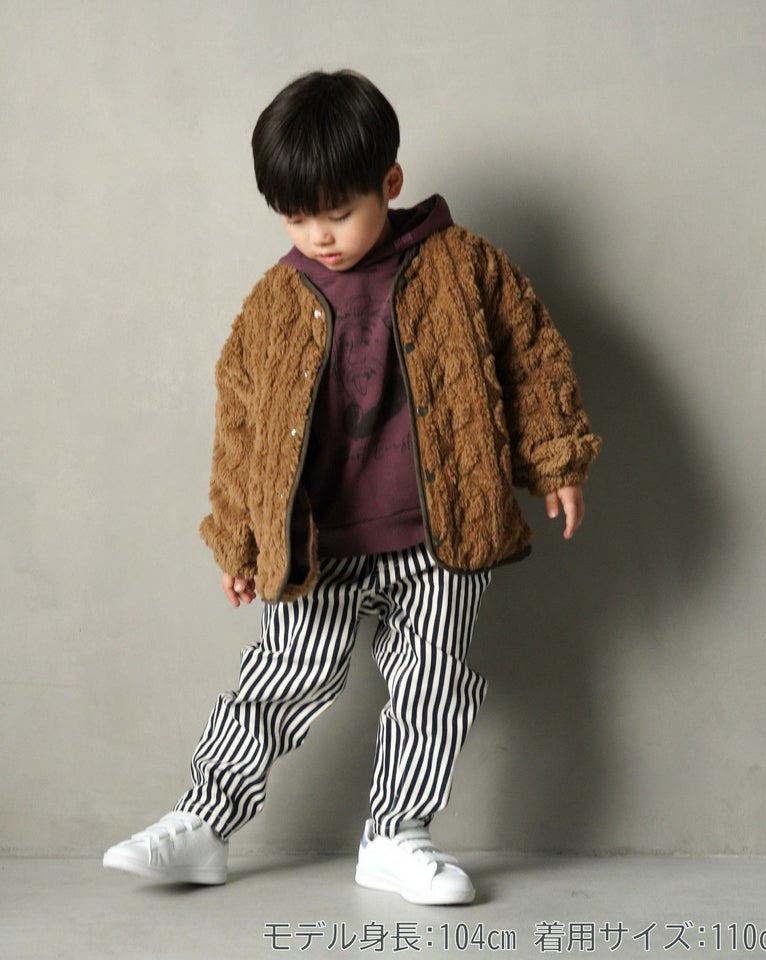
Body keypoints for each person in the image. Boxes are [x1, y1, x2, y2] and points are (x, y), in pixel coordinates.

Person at [103, 69, 601, 905]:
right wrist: (238, 539)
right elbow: (243, 427)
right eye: (296, 217)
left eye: (337, 212)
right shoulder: (274, 303)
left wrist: (554, 457)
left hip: (441, 539)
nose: (319, 236)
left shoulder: (465, 266)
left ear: (390, 182)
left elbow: (531, 356)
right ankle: (201, 824)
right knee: (277, 681)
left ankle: (397, 835)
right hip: (320, 547)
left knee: (432, 685)